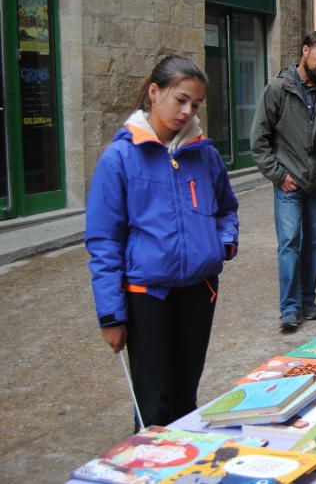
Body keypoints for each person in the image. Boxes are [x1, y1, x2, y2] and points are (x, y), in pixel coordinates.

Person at [86, 56, 239, 429]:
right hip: (146, 294)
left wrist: (222, 244)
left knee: (186, 395)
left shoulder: (206, 155)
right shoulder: (119, 158)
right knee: (154, 402)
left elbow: (226, 209)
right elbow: (104, 241)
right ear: (154, 93)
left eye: (196, 104)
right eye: (180, 99)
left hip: (198, 291)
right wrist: (111, 315)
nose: (187, 111)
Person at [250, 31, 316, 331]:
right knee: (290, 242)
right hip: (289, 182)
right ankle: (290, 307)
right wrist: (278, 175)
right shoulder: (277, 90)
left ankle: (308, 299)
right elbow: (259, 140)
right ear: (305, 51)